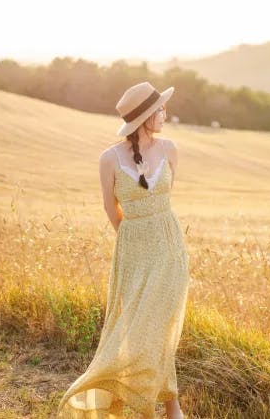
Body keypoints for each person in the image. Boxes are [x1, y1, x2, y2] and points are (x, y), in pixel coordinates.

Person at [57, 81, 190, 419]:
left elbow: (164, 197)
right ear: (144, 116)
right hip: (133, 251)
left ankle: (169, 406)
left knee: (159, 327)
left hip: (169, 247)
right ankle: (139, 402)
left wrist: (152, 234)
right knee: (133, 330)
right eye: (159, 110)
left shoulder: (170, 149)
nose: (164, 114)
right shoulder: (109, 158)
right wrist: (134, 238)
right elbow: (109, 208)